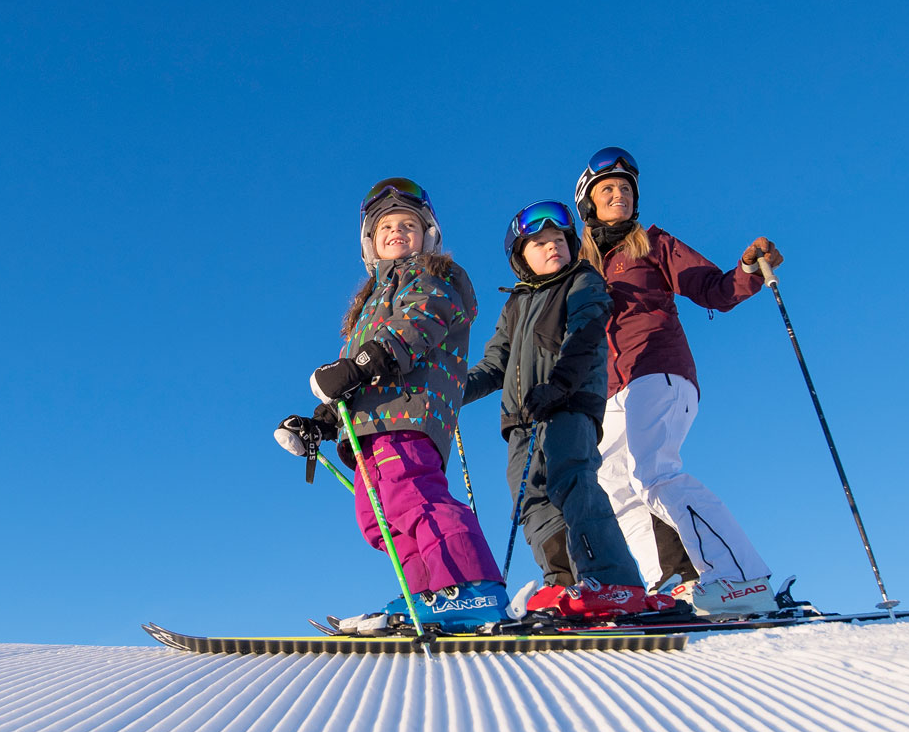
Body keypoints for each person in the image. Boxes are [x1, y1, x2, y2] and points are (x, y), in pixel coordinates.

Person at [272, 178, 509, 633]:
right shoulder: (368, 305)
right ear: (370, 242)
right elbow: (353, 380)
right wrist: (321, 423)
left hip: (408, 413)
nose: (397, 232)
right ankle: (429, 597)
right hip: (369, 426)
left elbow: (420, 322)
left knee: (414, 497)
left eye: (408, 225)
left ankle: (471, 588)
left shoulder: (435, 278)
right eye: (386, 227)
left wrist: (361, 363)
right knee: (379, 520)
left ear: (428, 235)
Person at [575, 147, 786, 618]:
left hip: (657, 371)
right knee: (614, 485)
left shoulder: (652, 243)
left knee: (652, 471)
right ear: (588, 202)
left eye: (626, 189)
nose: (619, 195)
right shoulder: (582, 268)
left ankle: (739, 577)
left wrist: (748, 269)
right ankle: (673, 582)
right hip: (609, 390)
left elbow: (713, 289)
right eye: (608, 189)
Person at [463, 201, 670, 619]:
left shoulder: (582, 281)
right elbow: (495, 363)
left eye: (558, 238)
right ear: (521, 256)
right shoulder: (516, 303)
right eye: (539, 242)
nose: (552, 246)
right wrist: (453, 391)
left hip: (568, 403)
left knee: (573, 481)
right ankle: (564, 582)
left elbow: (584, 334)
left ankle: (614, 581)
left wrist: (559, 385)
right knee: (531, 501)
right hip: (522, 418)